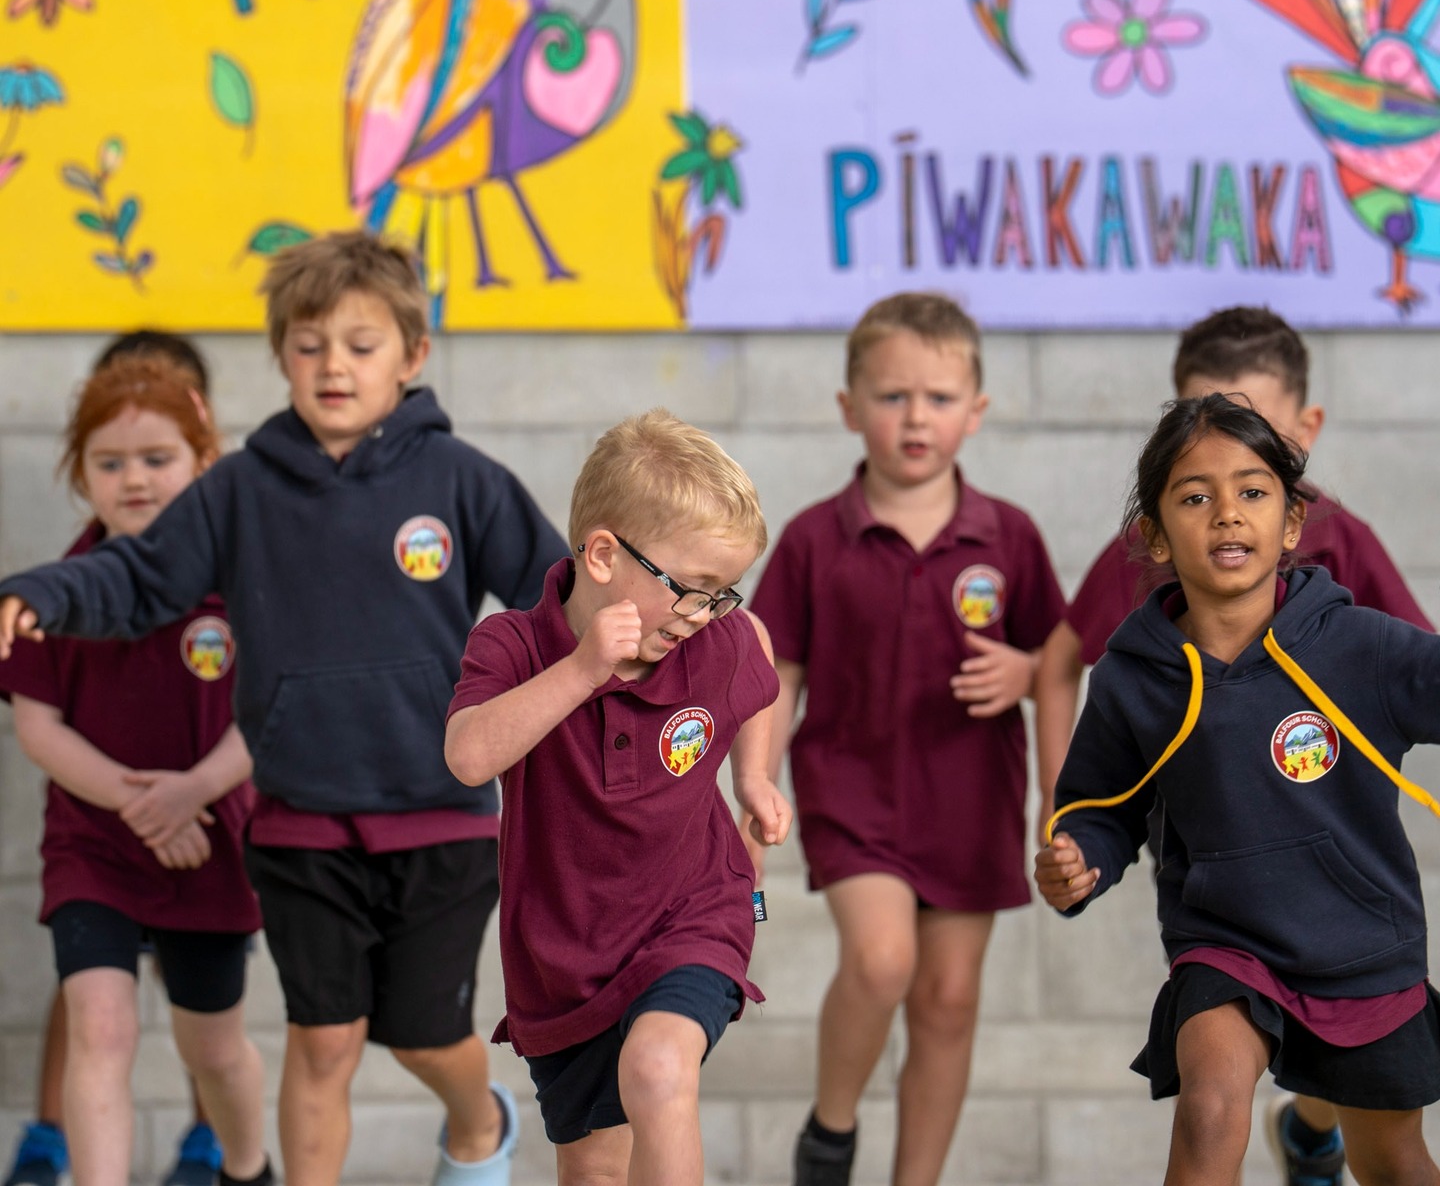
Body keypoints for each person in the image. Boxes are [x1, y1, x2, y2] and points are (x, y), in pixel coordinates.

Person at [0, 231, 568, 1186]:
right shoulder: (237, 491)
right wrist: (41, 596)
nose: (332, 365)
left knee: (427, 1039)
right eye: (308, 345)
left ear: (411, 356)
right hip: (300, 824)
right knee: (323, 1042)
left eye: (359, 343)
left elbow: (554, 602)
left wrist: (657, 631)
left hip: (441, 817)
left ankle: (479, 1121)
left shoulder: (464, 482)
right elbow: (139, 577)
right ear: (280, 358)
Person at [1031, 305, 1431, 1186]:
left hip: (1365, 944)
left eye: (1253, 492)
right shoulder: (1135, 676)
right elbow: (1101, 809)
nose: (1227, 514)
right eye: (1195, 496)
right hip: (1225, 944)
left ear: (1293, 523)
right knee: (1210, 1109)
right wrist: (1079, 858)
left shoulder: (1359, 644)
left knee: (1394, 1162)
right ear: (1154, 536)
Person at [749, 292, 1066, 1186]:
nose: (915, 417)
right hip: (852, 792)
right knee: (883, 961)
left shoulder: (1009, 536)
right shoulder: (816, 538)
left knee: (949, 999)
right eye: (892, 397)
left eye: (936, 397)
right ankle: (831, 1131)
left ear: (976, 411)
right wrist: (757, 781)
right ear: (850, 409)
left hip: (970, 799)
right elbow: (780, 671)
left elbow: (1059, 655)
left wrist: (1025, 671)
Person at [444, 408, 792, 1186]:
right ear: (603, 555)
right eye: (694, 590)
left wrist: (754, 777)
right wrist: (579, 672)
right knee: (596, 1169)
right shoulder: (514, 646)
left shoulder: (715, 637)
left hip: (692, 913)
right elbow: (468, 758)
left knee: (661, 1069)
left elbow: (758, 646)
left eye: (722, 594)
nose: (707, 615)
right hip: (565, 957)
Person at [0, 354, 269, 1186]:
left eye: (158, 459)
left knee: (213, 1047)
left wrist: (190, 795)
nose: (135, 480)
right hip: (95, 845)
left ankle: (250, 1166)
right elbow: (39, 727)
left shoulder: (245, 585)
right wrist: (136, 803)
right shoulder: (59, 594)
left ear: (203, 462)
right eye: (110, 464)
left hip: (212, 841)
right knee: (101, 1026)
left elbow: (274, 709)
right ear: (80, 474)